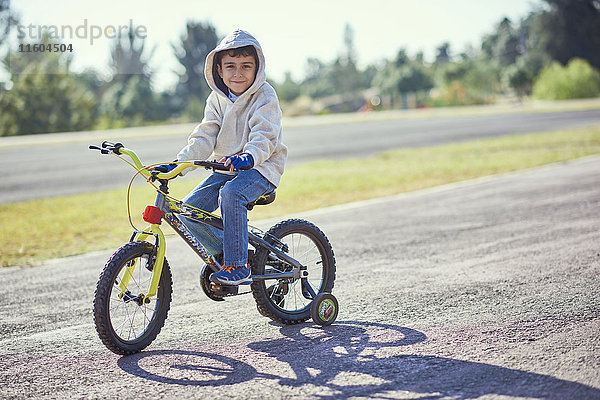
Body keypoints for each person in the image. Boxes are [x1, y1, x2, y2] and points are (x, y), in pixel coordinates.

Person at [157, 29, 287, 286]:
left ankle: (238, 266)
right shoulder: (216, 99)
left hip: (261, 168)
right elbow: (205, 136)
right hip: (226, 168)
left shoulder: (265, 96)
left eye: (246, 66)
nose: (238, 73)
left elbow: (265, 135)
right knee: (187, 212)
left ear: (257, 68)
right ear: (218, 69)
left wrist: (249, 157)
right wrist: (178, 165)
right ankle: (233, 254)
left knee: (231, 194)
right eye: (230, 66)